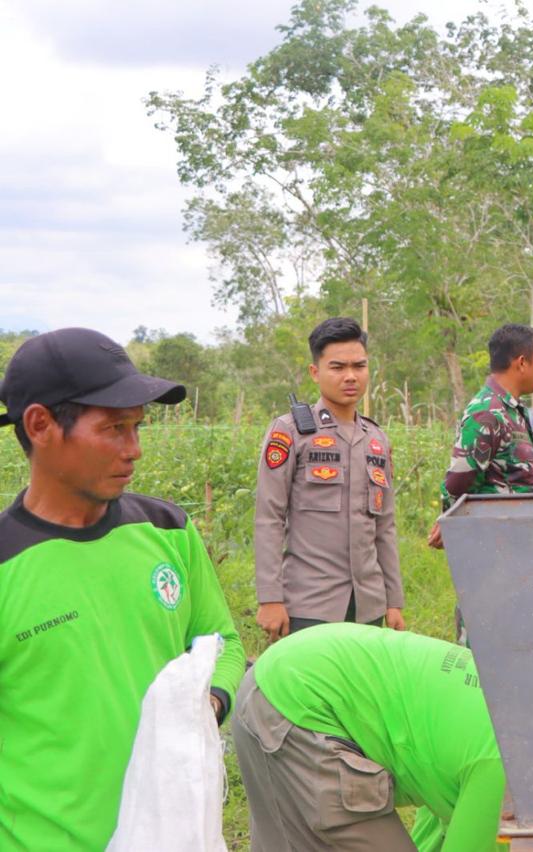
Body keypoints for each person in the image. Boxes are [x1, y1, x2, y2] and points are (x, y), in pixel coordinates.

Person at [0, 328, 246, 850]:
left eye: (137, 427)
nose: (133, 450)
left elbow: (221, 639)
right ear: (40, 425)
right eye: (113, 428)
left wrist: (206, 705)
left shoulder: (167, 531)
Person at [232, 623, 506, 851]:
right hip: (299, 702)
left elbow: (435, 836)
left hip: (288, 675)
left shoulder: (514, 731)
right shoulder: (504, 770)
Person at [254, 317, 404, 643]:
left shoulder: (377, 439)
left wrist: (394, 601)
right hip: (310, 605)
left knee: (362, 692)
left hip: (368, 604)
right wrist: (270, 597)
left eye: (359, 366)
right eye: (337, 367)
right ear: (315, 372)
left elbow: (385, 527)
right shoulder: (291, 431)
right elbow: (269, 517)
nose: (350, 376)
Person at [429, 323, 533, 548]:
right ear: (522, 363)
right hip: (502, 542)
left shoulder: (511, 410)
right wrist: (450, 523)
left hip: (527, 539)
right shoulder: (487, 413)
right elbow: (458, 481)